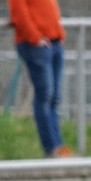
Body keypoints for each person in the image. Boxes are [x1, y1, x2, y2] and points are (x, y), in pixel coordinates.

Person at [8, 0, 71, 158]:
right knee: (45, 95)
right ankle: (51, 147)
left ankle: (58, 146)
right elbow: (19, 13)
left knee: (54, 96)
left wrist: (58, 32)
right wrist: (35, 37)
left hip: (53, 41)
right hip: (37, 45)